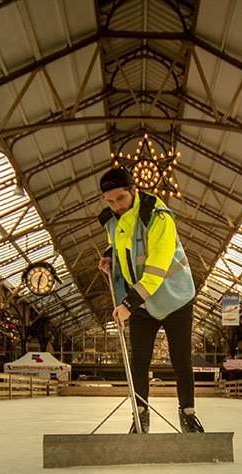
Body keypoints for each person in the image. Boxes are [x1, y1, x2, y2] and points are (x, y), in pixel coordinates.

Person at [97, 167, 204, 434]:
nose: (116, 206)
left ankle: (188, 415)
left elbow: (157, 267)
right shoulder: (112, 219)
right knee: (139, 362)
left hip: (175, 297)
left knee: (181, 360)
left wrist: (128, 304)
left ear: (134, 190)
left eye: (120, 199)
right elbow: (120, 242)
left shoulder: (158, 217)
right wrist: (110, 255)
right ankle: (140, 415)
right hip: (141, 302)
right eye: (109, 201)